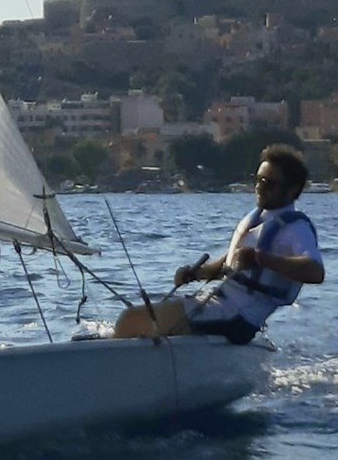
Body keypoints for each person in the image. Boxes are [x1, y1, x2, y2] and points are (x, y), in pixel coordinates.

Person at [113, 144, 324, 343]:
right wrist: (197, 273)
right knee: (144, 323)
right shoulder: (261, 218)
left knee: (131, 320)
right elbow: (231, 265)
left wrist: (261, 258)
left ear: (291, 190)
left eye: (269, 183)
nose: (259, 188)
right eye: (258, 180)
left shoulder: (296, 228)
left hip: (238, 317)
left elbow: (315, 271)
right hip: (221, 306)